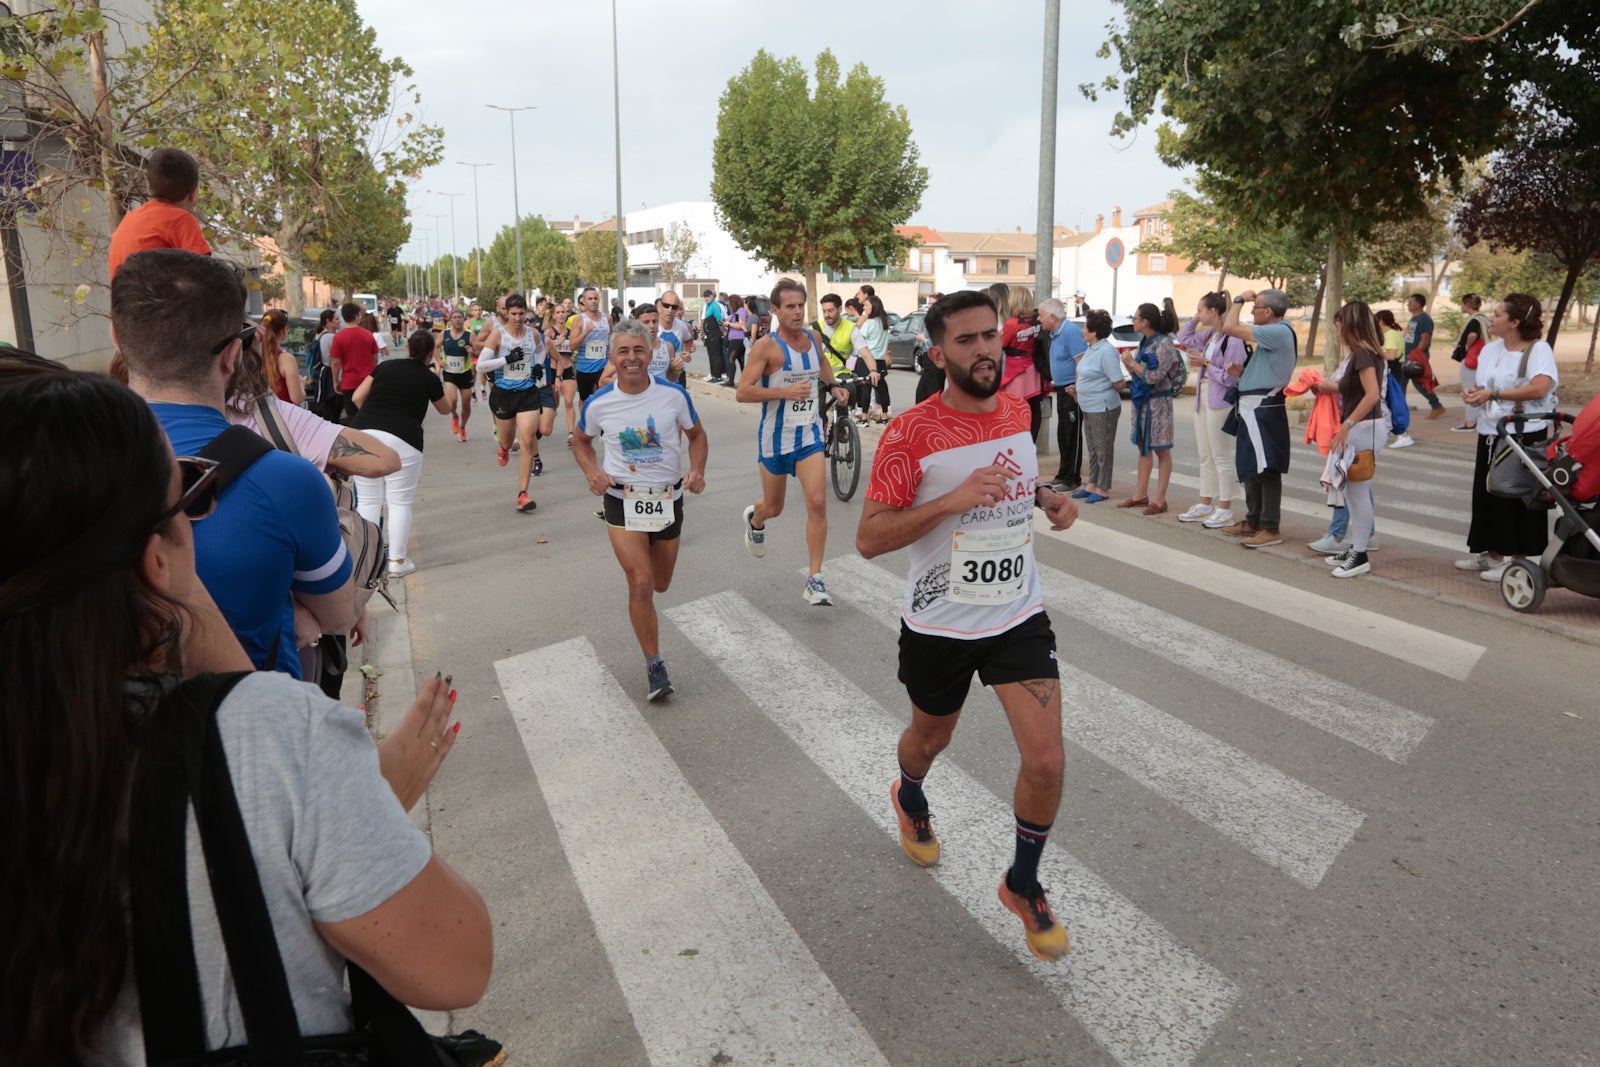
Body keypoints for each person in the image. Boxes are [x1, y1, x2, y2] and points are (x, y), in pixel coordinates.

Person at [0, 370, 492, 1064]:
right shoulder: (270, 737)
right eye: (190, 500)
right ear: (153, 555)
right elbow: (458, 962)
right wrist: (367, 795)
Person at [855, 288, 1079, 962]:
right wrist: (951, 500)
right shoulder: (910, 432)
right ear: (937, 352)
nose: (984, 349)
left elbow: (1013, 476)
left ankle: (1023, 881)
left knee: (1046, 757)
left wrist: (1046, 498)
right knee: (931, 738)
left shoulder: (1017, 406)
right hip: (940, 624)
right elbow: (868, 539)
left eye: (990, 336)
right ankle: (909, 790)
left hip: (1016, 612)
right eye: (967, 340)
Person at [113, 249, 354, 679]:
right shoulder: (287, 481)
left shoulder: (58, 468)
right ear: (231, 356)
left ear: (118, 339)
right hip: (254, 732)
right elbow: (338, 611)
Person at [572, 321, 709, 701]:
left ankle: (647, 584)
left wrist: (697, 470)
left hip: (667, 498)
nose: (631, 358)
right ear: (612, 358)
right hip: (621, 498)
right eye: (623, 352)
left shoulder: (674, 395)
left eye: (638, 351)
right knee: (641, 582)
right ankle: (654, 665)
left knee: (660, 582)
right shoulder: (598, 403)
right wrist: (592, 472)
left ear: (651, 355)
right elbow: (580, 442)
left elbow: (697, 435)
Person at [735, 277, 852, 606]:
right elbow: (743, 391)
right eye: (790, 307)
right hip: (776, 439)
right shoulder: (766, 347)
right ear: (775, 310)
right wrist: (784, 392)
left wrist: (833, 387)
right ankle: (755, 519)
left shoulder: (814, 338)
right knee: (774, 507)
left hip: (809, 435)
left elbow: (823, 365)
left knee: (817, 502)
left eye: (801, 305)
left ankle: (815, 579)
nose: (798, 312)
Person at [1457, 293, 1559, 582]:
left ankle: (1518, 559)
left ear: (1515, 322)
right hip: (1491, 430)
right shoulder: (1491, 350)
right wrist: (1474, 395)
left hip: (1524, 433)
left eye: (1499, 314)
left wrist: (1497, 394)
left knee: (1517, 496)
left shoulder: (1538, 350)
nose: (1492, 318)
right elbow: (1483, 385)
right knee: (1487, 492)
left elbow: (1540, 388)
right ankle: (1491, 554)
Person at [349, 329, 452, 576]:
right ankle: (397, 561)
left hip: (364, 434)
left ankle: (367, 561)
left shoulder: (386, 367)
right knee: (399, 502)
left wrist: (374, 418)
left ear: (408, 348)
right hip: (403, 439)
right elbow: (446, 409)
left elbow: (356, 397)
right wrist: (440, 378)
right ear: (430, 354)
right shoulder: (428, 377)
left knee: (368, 500)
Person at [1219, 288, 1298, 548]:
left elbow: (1229, 327)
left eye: (1256, 306)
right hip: (1252, 406)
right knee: (1250, 466)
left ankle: (1270, 527)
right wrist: (1244, 371)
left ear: (1269, 312)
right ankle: (1254, 520)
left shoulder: (1278, 331)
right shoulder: (1272, 335)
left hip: (1263, 407)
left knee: (1266, 467)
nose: (1252, 310)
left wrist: (1239, 300)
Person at [1320, 302, 1388, 578]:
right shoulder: (1367, 352)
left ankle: (1360, 554)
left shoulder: (1362, 354)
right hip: (1364, 426)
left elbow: (1372, 395)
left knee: (1358, 496)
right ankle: (1356, 548)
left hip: (1363, 427)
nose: (1337, 331)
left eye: (1340, 326)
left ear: (1350, 326)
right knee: (1352, 494)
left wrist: (1347, 425)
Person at [1175, 292, 1245, 528]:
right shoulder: (1210, 335)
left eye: (1201, 310)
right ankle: (1205, 503)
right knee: (1205, 455)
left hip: (1220, 400)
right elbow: (1183, 337)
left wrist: (1206, 364)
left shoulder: (1232, 339)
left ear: (1213, 311)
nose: (1198, 314)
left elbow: (1231, 378)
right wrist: (1195, 318)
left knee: (1221, 455)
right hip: (1203, 398)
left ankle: (1225, 508)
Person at [476, 293, 545, 512]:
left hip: (527, 394)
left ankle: (522, 494)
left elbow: (541, 350)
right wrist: (507, 359)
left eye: (521, 313)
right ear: (507, 313)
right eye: (513, 313)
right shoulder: (498, 335)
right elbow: (481, 366)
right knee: (507, 441)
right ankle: (504, 448)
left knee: (527, 440)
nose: (517, 318)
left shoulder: (533, 334)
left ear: (526, 313)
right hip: (504, 394)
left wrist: (539, 366)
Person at [1117, 302, 1184, 514]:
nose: (1133, 322)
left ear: (1144, 322)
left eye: (1135, 319)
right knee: (1142, 447)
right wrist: (1130, 363)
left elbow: (1154, 377)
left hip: (1158, 403)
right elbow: (1140, 372)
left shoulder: (1164, 344)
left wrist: (1132, 364)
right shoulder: (1145, 342)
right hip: (1142, 401)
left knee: (1161, 449)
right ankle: (1140, 494)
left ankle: (1160, 499)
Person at [107, 147, 210, 279]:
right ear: (193, 194)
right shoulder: (182, 220)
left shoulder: (129, 219)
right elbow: (205, 277)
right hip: (160, 298)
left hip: (124, 298)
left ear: (149, 184)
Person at [1072, 309, 1122, 504]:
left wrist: (1096, 387)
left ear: (1094, 332)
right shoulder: (1092, 349)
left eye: (1085, 327)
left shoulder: (1106, 351)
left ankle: (1103, 487)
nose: (1082, 330)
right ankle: (1092, 482)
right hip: (1088, 406)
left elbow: (1118, 382)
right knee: (1093, 448)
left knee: (1104, 448)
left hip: (1104, 407)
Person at [1037, 299, 1086, 489]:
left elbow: (1081, 362)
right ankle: (1063, 473)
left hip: (1072, 389)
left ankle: (1072, 478)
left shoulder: (1069, 331)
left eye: (1041, 315)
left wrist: (1077, 390)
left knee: (1071, 434)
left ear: (1051, 316)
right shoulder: (1054, 334)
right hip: (1062, 389)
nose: (1039, 319)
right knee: (1063, 433)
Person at [330, 302, 380, 423]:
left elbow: (335, 362)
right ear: (357, 316)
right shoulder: (368, 335)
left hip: (349, 383)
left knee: (353, 417)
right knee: (370, 415)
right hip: (368, 383)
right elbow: (375, 358)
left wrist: (335, 380)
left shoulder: (338, 337)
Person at [1451, 293, 1491, 433]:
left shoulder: (1475, 321)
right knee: (1479, 387)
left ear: (1467, 305)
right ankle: (1478, 420)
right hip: (1482, 358)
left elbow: (1472, 335)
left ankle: (1469, 423)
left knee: (1468, 389)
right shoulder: (1484, 319)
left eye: (1462, 304)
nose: (1461, 307)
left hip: (1472, 359)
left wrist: (1467, 346)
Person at [1402, 292, 1446, 421]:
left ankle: (1436, 405)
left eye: (1410, 302)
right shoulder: (1414, 318)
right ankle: (1400, 407)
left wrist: (1416, 354)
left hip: (1415, 357)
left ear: (1417, 304)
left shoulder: (1424, 319)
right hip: (1407, 355)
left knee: (1420, 383)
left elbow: (1425, 338)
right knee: (1401, 382)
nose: (1408, 305)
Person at [1375, 308, 1413, 448]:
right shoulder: (1396, 332)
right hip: (1397, 369)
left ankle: (1403, 434)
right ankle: (1399, 432)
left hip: (1393, 370)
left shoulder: (1390, 334)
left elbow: (1391, 355)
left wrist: (1376, 353)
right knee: (1395, 402)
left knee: (1393, 402)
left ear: (1381, 321)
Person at [812, 293, 859, 405]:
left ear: (839, 309)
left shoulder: (850, 328)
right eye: (824, 311)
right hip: (820, 375)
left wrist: (873, 371)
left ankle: (842, 418)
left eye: (830, 311)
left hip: (840, 374)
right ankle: (821, 419)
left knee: (849, 391)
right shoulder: (814, 328)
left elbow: (865, 353)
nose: (826, 314)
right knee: (817, 403)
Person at [853, 293, 893, 423]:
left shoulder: (869, 323)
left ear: (873, 307)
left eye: (866, 306)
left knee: (865, 387)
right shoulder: (883, 322)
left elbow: (857, 333)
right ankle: (884, 415)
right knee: (881, 388)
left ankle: (864, 417)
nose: (864, 308)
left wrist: (863, 317)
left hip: (867, 359)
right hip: (880, 359)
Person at [568, 286, 612, 405]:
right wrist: (586, 331)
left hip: (603, 366)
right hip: (585, 367)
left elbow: (612, 338)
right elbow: (572, 346)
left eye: (596, 298)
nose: (593, 301)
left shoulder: (607, 318)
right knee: (585, 400)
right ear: (584, 301)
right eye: (590, 299)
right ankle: (584, 422)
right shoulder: (579, 320)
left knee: (602, 398)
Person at [439, 309, 476, 442]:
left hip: (465, 373)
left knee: (466, 404)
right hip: (449, 373)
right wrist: (439, 361)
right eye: (454, 317)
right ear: (450, 320)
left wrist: (472, 351)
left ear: (464, 319)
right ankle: (454, 416)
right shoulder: (445, 333)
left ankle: (462, 427)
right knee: (452, 401)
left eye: (460, 317)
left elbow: (477, 351)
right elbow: (434, 347)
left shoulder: (469, 335)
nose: (457, 319)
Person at [257, 308, 304, 406]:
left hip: (261, 416)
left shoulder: (254, 357)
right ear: (285, 330)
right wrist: (301, 384)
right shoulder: (286, 359)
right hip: (284, 417)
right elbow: (296, 398)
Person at [701, 287, 728, 384]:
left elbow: (719, 319)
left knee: (716, 355)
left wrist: (722, 331)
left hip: (715, 334)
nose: (706, 298)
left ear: (712, 296)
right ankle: (713, 375)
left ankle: (717, 376)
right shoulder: (708, 305)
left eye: (708, 296)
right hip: (709, 334)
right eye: (705, 296)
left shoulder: (714, 305)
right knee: (711, 355)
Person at [724, 294, 750, 386]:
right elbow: (735, 323)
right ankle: (744, 382)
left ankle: (731, 381)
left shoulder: (741, 311)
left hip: (737, 339)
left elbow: (740, 325)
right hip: (734, 339)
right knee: (741, 361)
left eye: (730, 304)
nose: (729, 306)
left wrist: (729, 324)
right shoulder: (736, 313)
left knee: (730, 359)